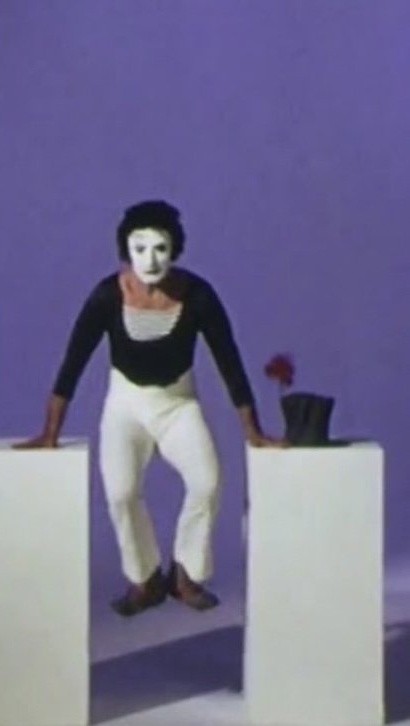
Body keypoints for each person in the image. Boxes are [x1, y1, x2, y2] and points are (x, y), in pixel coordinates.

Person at [16, 200, 285, 616]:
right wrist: (50, 431)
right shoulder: (107, 296)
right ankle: (144, 578)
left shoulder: (197, 296)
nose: (151, 259)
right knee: (121, 492)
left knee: (207, 482)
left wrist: (253, 430)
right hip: (126, 405)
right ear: (126, 250)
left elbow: (228, 360)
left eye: (160, 248)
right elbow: (74, 361)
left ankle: (186, 573)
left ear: (174, 249)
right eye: (140, 248)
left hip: (178, 404)